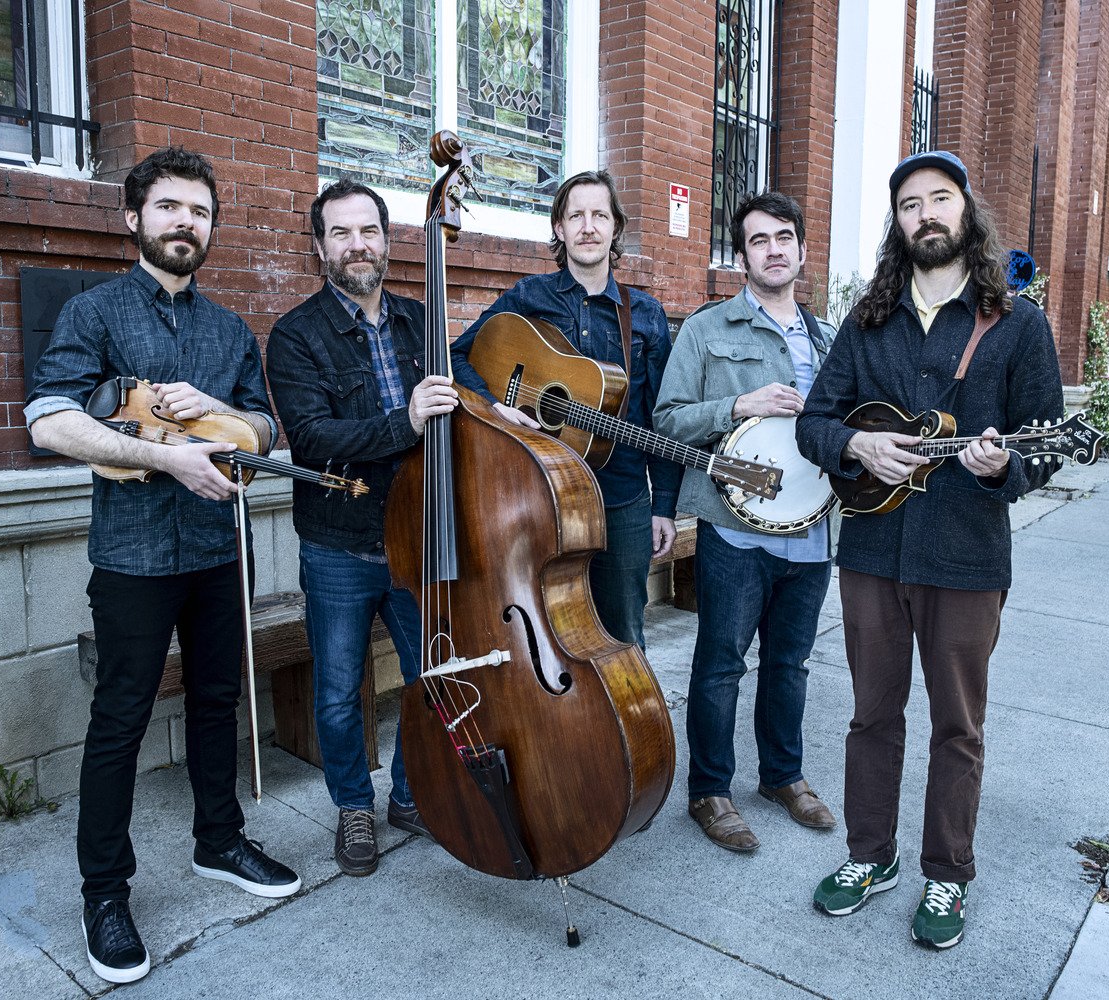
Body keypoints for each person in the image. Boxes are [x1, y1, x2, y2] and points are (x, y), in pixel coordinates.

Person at [25, 147, 300, 985]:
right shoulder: (96, 311)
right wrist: (164, 459)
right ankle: (103, 894)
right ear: (135, 218)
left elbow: (265, 435)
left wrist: (218, 413)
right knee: (121, 722)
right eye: (171, 208)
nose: (187, 223)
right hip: (134, 557)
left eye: (201, 211)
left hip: (219, 550)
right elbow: (47, 421)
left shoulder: (227, 330)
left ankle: (218, 840)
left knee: (220, 700)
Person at [796, 151, 1064, 949]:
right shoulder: (868, 318)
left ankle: (946, 875)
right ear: (898, 223)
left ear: (965, 211)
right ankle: (868, 856)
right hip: (874, 553)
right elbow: (815, 421)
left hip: (967, 558)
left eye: (938, 199)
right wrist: (856, 449)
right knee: (872, 715)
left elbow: (1045, 441)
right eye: (909, 205)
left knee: (958, 725)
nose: (925, 216)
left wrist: (1004, 466)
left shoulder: (1017, 323)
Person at [265, 179, 458, 878]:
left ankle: (411, 795)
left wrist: (507, 414)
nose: (357, 245)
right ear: (320, 247)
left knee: (429, 676)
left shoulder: (419, 322)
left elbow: (465, 393)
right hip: (338, 545)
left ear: (387, 239)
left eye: (368, 231)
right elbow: (314, 438)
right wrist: (404, 422)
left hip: (417, 536)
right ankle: (353, 807)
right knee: (339, 690)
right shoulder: (295, 335)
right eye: (340, 234)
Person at [653, 192, 837, 854]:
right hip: (735, 531)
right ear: (742, 257)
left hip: (812, 534)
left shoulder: (829, 340)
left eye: (784, 237)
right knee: (721, 663)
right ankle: (710, 791)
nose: (775, 249)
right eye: (759, 240)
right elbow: (667, 418)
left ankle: (782, 777)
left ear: (803, 250)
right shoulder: (707, 330)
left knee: (790, 663)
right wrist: (740, 404)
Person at [448, 170, 681, 651]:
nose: (588, 226)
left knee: (623, 639)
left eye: (600, 215)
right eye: (576, 215)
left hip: (622, 501)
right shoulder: (529, 297)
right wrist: (497, 407)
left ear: (616, 227)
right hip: (538, 497)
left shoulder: (648, 315)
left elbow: (663, 418)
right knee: (545, 634)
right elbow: (456, 357)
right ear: (559, 228)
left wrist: (664, 508)